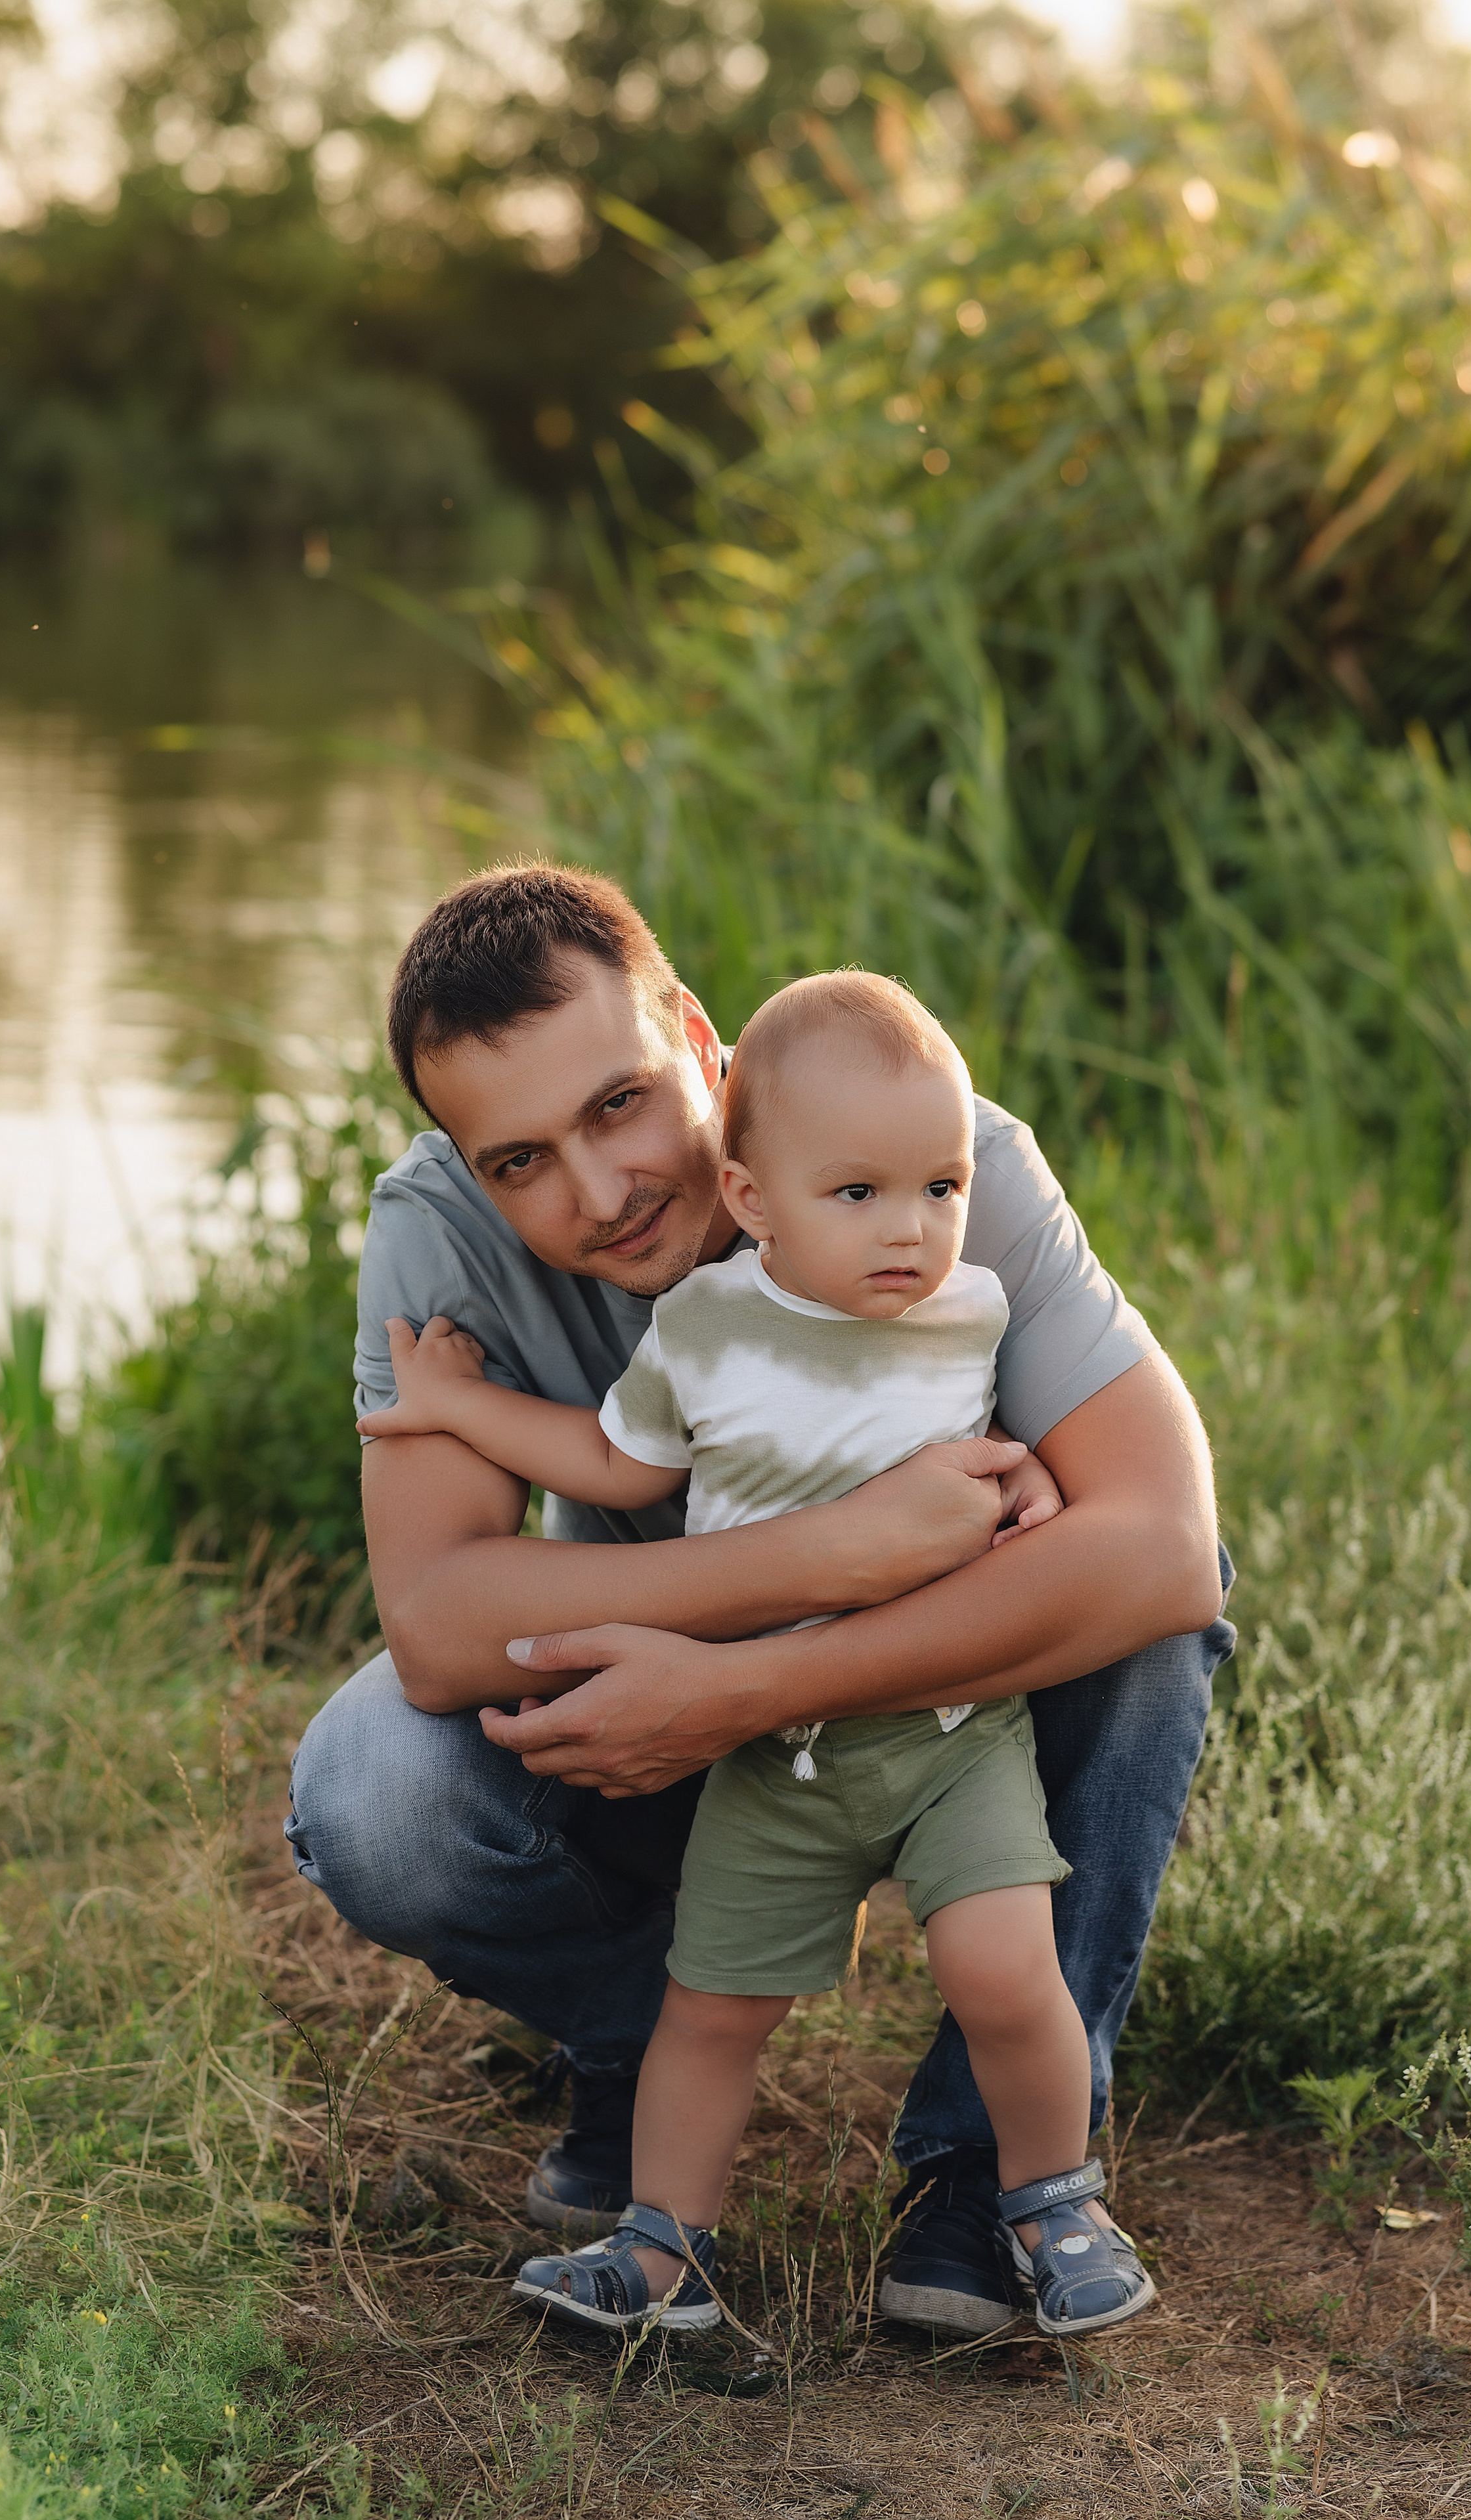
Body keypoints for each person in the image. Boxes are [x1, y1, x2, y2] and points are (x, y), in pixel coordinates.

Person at [286, 862, 1235, 2340]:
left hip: (929, 1719)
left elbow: (1164, 1545)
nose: (596, 1194)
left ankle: (999, 2174)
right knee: (377, 1791)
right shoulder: (434, 1233)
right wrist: (821, 1558)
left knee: (1141, 1643)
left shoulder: (915, 1156)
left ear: (697, 1040)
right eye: (519, 1157)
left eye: (618, 1104)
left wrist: (755, 1683)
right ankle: (637, 2048)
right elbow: (439, 1622)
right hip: (659, 1735)